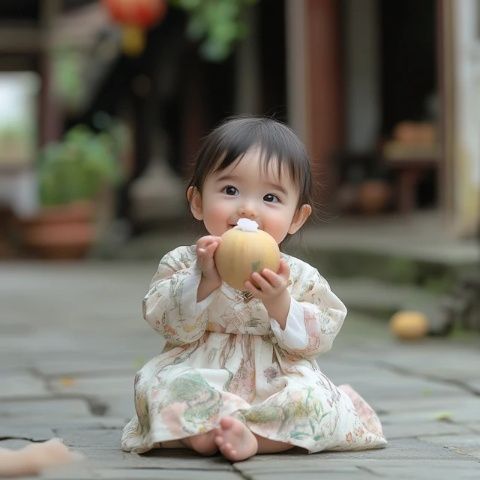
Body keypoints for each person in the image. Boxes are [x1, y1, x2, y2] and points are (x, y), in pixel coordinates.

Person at [121, 116, 387, 461]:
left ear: (296, 218)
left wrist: (281, 303)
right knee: (164, 388)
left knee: (312, 400)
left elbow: (321, 335)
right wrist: (201, 283)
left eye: (271, 197)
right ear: (198, 201)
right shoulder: (185, 263)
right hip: (201, 371)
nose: (248, 208)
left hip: (274, 380)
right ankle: (211, 432)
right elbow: (161, 318)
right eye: (230, 190)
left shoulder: (298, 276)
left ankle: (247, 437)